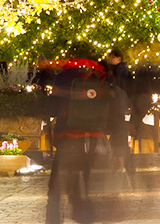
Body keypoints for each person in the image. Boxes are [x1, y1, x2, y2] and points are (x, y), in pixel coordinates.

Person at [45, 61, 129, 224]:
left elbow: (51, 110)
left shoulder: (64, 77)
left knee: (55, 192)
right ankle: (85, 218)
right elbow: (117, 118)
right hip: (95, 143)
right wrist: (119, 152)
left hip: (67, 141)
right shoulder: (103, 78)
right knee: (88, 190)